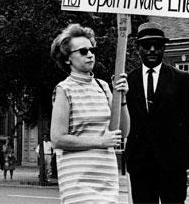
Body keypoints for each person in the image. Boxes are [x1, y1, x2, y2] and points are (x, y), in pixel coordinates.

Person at [50, 23, 129, 204]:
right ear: (68, 58)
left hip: (106, 178)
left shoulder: (103, 87)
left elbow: (122, 133)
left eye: (92, 49)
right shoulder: (64, 89)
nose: (90, 54)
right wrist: (101, 141)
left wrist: (123, 99)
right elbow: (57, 139)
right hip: (78, 180)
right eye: (83, 51)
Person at [125, 22, 189, 203]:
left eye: (158, 45)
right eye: (146, 45)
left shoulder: (182, 80)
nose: (152, 50)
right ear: (138, 48)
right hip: (140, 164)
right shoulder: (128, 81)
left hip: (173, 164)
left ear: (163, 48)